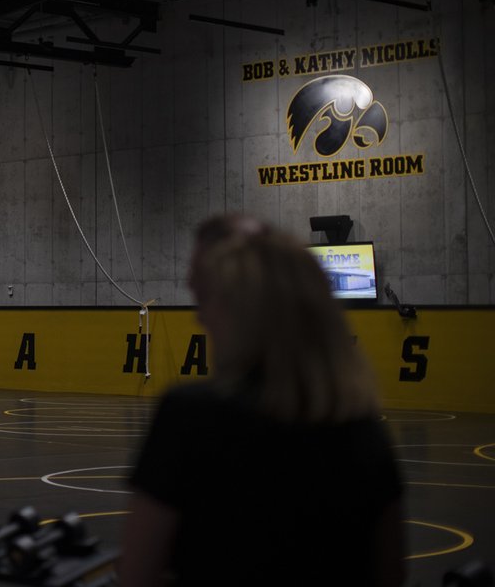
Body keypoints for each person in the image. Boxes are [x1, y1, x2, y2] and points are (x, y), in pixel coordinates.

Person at [118, 218, 405, 587]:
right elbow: (391, 574)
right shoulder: (366, 433)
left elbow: (137, 574)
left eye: (208, 301)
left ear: (243, 313)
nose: (199, 316)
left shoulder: (192, 417)